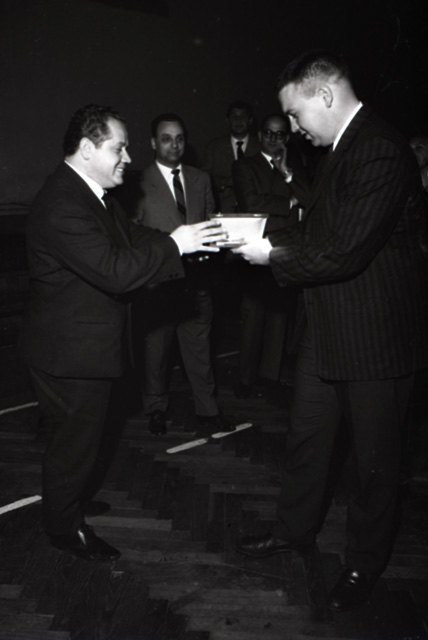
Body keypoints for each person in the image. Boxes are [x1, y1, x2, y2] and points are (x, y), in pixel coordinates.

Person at [233, 51, 428, 612]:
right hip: (328, 328)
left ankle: (364, 564)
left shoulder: (379, 149)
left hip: (374, 341)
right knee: (308, 439)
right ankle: (294, 530)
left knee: (374, 465)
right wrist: (256, 234)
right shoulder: (342, 148)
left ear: (325, 95)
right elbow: (317, 229)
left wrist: (269, 255)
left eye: (295, 115)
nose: (293, 128)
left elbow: (343, 251)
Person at [19, 104, 225, 562]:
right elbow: (114, 270)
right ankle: (63, 526)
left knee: (82, 440)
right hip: (68, 353)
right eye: (119, 148)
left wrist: (184, 237)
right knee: (74, 444)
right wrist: (176, 244)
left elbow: (131, 237)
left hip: (82, 345)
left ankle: (69, 500)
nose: (128, 158)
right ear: (87, 148)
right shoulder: (62, 204)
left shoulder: (90, 194)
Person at [134, 113, 235, 436]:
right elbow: (132, 235)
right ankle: (155, 408)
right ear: (154, 143)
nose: (174, 145)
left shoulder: (200, 179)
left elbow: (210, 224)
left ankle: (208, 410)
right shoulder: (137, 183)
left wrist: (213, 247)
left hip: (196, 281)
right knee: (156, 353)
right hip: (158, 284)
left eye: (179, 139)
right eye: (166, 139)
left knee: (199, 349)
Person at [232, 113, 308, 398]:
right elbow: (251, 203)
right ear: (259, 135)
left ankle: (270, 378)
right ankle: (246, 380)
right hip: (255, 251)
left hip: (284, 250)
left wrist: (287, 173)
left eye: (280, 134)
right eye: (268, 133)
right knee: (252, 317)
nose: (274, 139)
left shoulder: (294, 168)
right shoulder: (244, 165)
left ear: (287, 138)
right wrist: (290, 203)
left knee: (279, 317)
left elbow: (310, 199)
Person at [203, 100, 260, 212]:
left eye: (243, 116)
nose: (238, 120)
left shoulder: (260, 146)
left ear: (250, 121)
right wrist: (227, 182)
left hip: (254, 210)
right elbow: (204, 178)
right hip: (223, 209)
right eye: (234, 116)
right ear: (227, 121)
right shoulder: (214, 147)